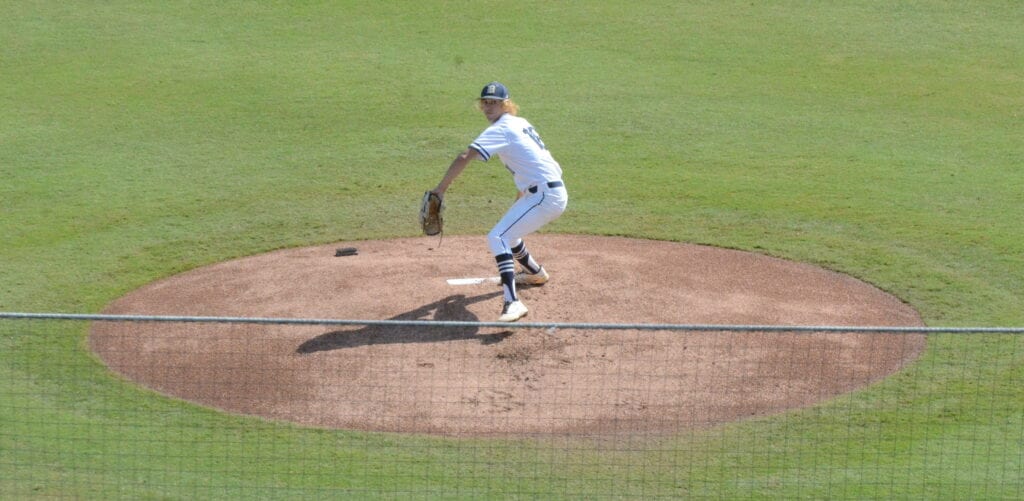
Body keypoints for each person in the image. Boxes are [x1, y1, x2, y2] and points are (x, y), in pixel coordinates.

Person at [431, 82, 568, 322]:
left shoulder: (501, 128)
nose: (488, 107)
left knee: (498, 237)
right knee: (510, 234)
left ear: (506, 104)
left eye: (494, 102)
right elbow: (535, 164)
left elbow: (465, 156)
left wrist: (440, 190)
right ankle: (536, 273)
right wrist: (520, 200)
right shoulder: (521, 123)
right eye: (485, 102)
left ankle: (512, 302)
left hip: (545, 196)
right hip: (548, 191)